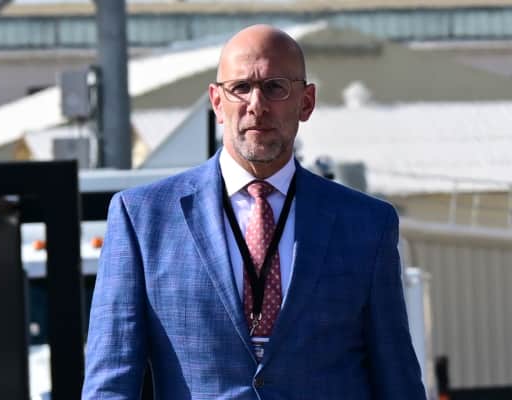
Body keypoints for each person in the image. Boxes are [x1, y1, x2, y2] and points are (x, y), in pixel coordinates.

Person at [83, 24, 425, 399]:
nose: (256, 105)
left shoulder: (367, 225)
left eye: (275, 87)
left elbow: (398, 381)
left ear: (306, 102)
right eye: (241, 87)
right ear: (217, 101)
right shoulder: (143, 219)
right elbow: (110, 384)